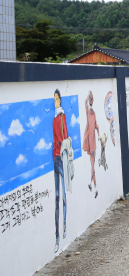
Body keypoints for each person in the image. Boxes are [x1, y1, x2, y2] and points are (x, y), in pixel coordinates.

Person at [53, 89, 69, 253]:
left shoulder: (61, 117)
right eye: (54, 99)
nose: (55, 102)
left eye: (57, 99)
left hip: (61, 157)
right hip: (55, 158)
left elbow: (63, 137)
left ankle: (64, 228)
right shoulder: (54, 119)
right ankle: (57, 237)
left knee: (62, 196)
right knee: (57, 197)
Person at [83, 92, 100, 198]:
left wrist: (98, 135)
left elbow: (97, 126)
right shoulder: (89, 112)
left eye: (92, 99)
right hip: (89, 143)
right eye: (91, 99)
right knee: (92, 166)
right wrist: (87, 96)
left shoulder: (93, 113)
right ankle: (95, 188)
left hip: (93, 142)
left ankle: (91, 185)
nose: (91, 100)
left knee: (92, 166)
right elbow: (85, 104)